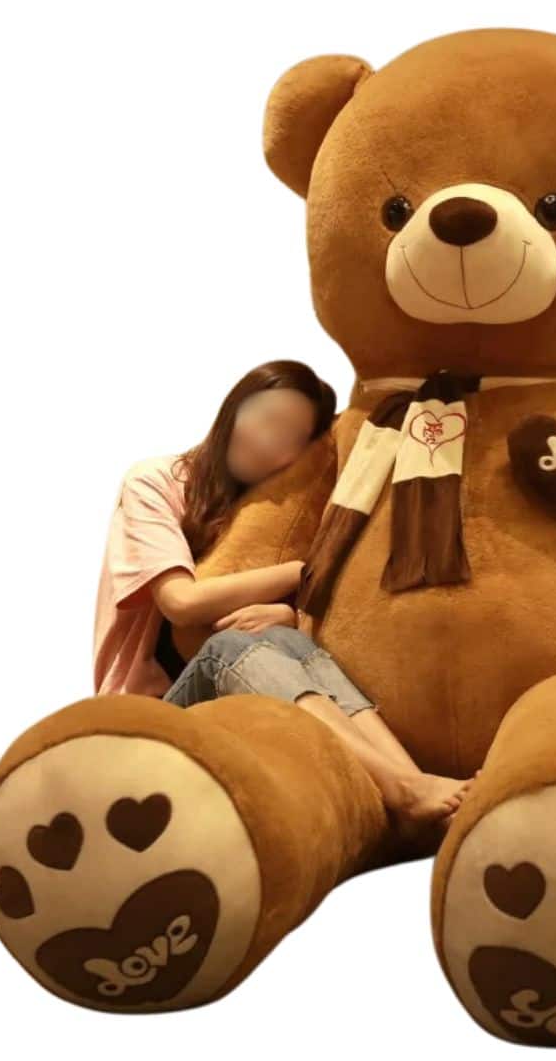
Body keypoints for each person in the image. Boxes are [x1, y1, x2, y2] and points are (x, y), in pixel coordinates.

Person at [92, 358, 478, 839]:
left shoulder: (275, 508)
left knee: (289, 641)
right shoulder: (155, 481)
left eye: (290, 437)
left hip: (235, 706)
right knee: (226, 648)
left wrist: (289, 613)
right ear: (234, 406)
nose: (267, 441)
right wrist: (303, 571)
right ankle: (401, 788)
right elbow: (181, 602)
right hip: (153, 716)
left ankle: (414, 790)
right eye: (265, 417)